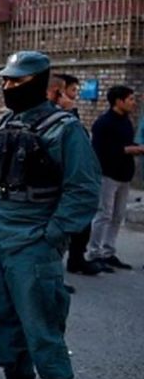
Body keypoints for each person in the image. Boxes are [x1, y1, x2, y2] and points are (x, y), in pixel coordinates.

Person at [0, 51, 100, 379]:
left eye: (16, 82)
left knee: (42, 329)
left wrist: (51, 236)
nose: (8, 87)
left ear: (40, 83)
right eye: (5, 81)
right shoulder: (6, 122)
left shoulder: (65, 129)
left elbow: (83, 190)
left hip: (32, 243)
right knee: (0, 321)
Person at [50, 74, 106, 277]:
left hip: (71, 181)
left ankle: (76, 259)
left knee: (80, 226)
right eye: (72, 91)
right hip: (58, 186)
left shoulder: (68, 117)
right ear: (59, 92)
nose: (74, 96)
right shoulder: (56, 119)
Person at [85, 85, 144, 271]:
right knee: (104, 215)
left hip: (124, 175)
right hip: (107, 175)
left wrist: (134, 147)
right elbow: (100, 151)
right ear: (119, 101)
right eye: (130, 99)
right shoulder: (104, 123)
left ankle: (108, 251)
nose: (134, 103)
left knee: (117, 216)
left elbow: (126, 143)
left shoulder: (126, 121)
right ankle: (94, 252)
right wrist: (129, 149)